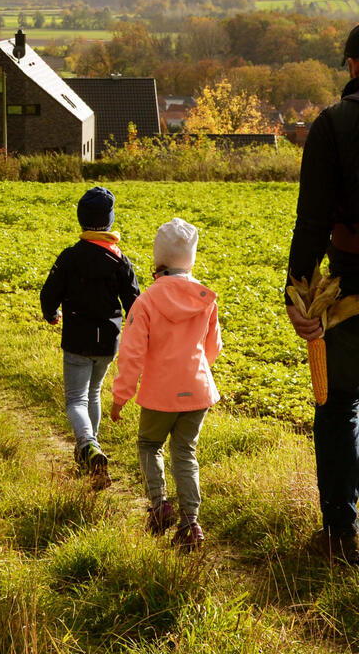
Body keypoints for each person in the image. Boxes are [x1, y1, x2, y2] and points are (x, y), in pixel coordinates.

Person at [286, 23, 359, 563]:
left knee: (338, 408)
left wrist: (297, 295)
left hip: (352, 292)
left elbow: (311, 223)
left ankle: (340, 533)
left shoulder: (333, 126)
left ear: (352, 66)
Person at [111, 218, 221, 550]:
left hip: (160, 394)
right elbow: (213, 348)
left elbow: (131, 354)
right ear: (191, 257)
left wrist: (120, 396)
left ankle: (159, 506)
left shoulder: (145, 302)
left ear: (158, 261)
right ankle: (191, 523)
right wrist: (192, 372)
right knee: (185, 453)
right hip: (198, 389)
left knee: (149, 445)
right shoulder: (206, 298)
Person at [40, 186, 140, 478]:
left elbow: (49, 293)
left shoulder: (70, 256)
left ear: (81, 220)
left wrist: (51, 314)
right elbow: (135, 303)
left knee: (75, 400)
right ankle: (92, 453)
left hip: (77, 340)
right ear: (109, 221)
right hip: (108, 341)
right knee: (93, 392)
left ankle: (88, 445)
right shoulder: (120, 260)